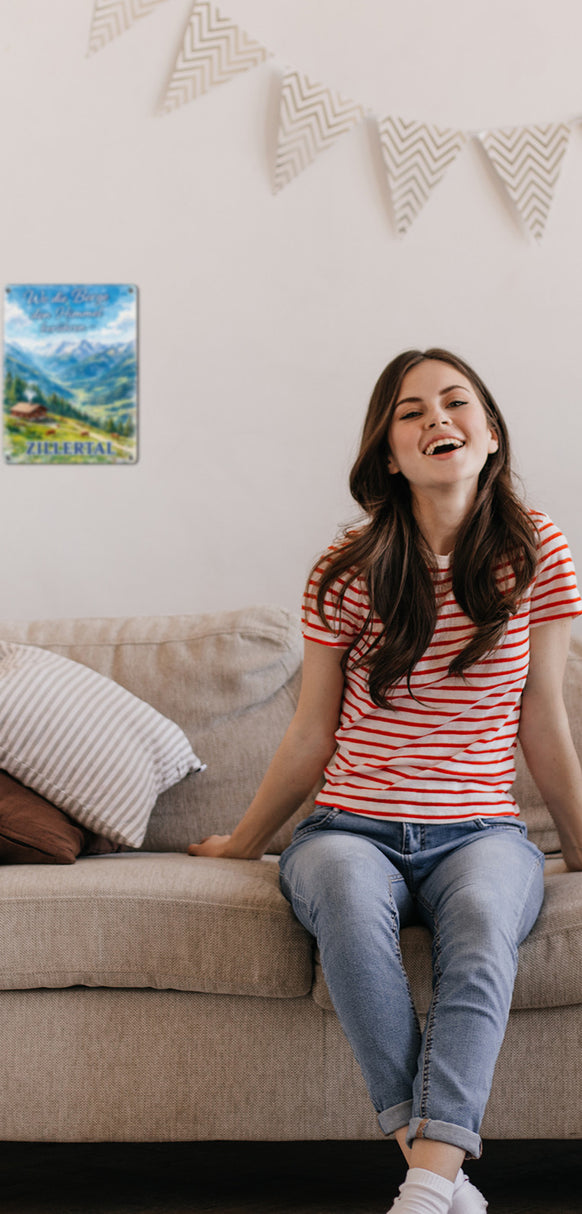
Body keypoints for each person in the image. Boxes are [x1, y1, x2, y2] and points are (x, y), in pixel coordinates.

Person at [189, 348, 582, 1214]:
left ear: (489, 438)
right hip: (347, 828)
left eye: (455, 403)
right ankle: (439, 1176)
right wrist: (245, 843)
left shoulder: (538, 550)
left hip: (481, 833)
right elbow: (311, 732)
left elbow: (542, 718)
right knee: (344, 904)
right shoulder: (346, 567)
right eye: (411, 411)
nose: (436, 419)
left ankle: (426, 1185)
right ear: (389, 453)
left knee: (483, 921)